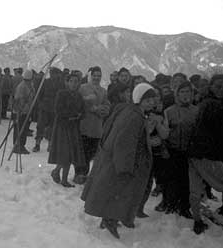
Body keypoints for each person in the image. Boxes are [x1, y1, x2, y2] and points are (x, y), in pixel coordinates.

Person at [81, 83, 155, 239]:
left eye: (152, 100)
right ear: (139, 99)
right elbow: (125, 142)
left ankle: (107, 219)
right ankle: (110, 221)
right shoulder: (135, 117)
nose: (151, 103)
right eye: (147, 100)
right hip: (122, 162)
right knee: (120, 193)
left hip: (113, 159)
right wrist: (125, 167)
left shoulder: (128, 110)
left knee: (110, 191)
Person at [188, 74, 223, 234]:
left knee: (195, 190)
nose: (221, 89)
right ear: (211, 86)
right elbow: (221, 135)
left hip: (194, 153)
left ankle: (198, 221)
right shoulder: (215, 106)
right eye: (218, 86)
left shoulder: (204, 103)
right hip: (208, 155)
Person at [163, 81, 198, 218]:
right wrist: (164, 149)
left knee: (187, 181)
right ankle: (170, 203)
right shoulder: (169, 111)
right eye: (182, 92)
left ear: (192, 94)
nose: (185, 95)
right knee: (172, 179)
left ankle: (184, 206)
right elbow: (165, 133)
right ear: (177, 94)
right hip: (173, 150)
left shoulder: (196, 111)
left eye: (188, 91)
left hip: (190, 152)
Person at [48, 73, 85, 187]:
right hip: (62, 127)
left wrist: (80, 115)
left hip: (73, 127)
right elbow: (58, 110)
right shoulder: (61, 94)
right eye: (72, 81)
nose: (74, 84)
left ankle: (57, 172)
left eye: (76, 81)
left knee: (69, 153)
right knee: (65, 153)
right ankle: (63, 178)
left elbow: (83, 110)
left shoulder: (78, 96)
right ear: (67, 82)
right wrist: (73, 114)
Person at [74, 66, 110, 184]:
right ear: (90, 76)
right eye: (94, 75)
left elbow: (107, 105)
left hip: (97, 126)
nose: (96, 78)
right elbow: (78, 103)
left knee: (91, 152)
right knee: (81, 151)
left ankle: (84, 174)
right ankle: (79, 173)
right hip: (84, 124)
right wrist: (91, 107)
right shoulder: (82, 88)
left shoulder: (103, 91)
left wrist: (102, 110)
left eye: (99, 76)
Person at [32, 67, 64, 153]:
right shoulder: (45, 82)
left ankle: (50, 145)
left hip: (55, 108)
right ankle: (37, 144)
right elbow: (40, 94)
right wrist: (40, 104)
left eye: (54, 73)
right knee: (40, 126)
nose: (53, 75)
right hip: (44, 107)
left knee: (52, 127)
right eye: (52, 73)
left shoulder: (61, 84)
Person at [12, 69, 35, 154]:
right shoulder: (22, 86)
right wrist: (21, 108)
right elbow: (18, 99)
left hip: (27, 111)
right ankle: (17, 146)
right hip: (20, 112)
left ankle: (21, 145)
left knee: (24, 129)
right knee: (19, 129)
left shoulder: (30, 85)